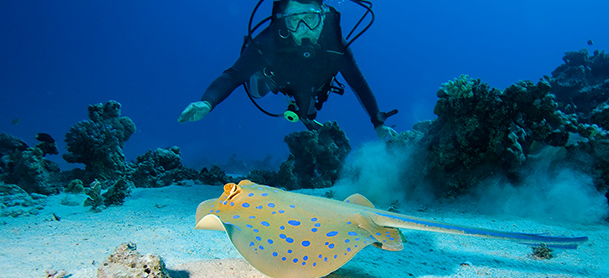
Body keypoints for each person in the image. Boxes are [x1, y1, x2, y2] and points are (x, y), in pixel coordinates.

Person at [178, 0, 398, 140]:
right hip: (276, 78)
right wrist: (207, 102)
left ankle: (304, 113)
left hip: (313, 84)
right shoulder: (270, 40)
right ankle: (263, 74)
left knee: (310, 113)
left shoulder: (335, 44)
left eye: (310, 18)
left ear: (323, 17)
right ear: (283, 20)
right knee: (255, 87)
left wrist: (378, 123)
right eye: (294, 19)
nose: (303, 29)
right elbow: (234, 74)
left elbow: (357, 82)